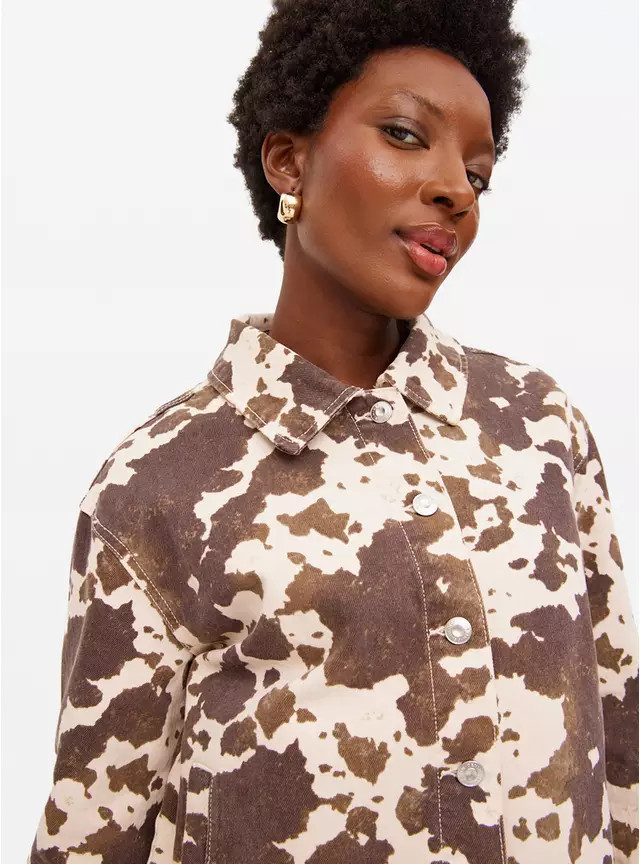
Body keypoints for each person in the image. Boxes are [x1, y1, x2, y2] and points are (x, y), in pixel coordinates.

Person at [29, 0, 638, 862]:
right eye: (404, 134)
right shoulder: (158, 483)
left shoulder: (539, 428)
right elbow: (94, 830)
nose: (456, 190)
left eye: (479, 173)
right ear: (289, 161)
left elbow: (618, 750)